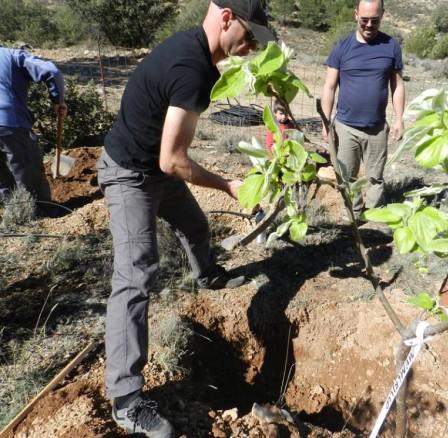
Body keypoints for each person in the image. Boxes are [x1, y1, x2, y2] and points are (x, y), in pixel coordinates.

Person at [96, 1, 275, 436]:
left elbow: (169, 159)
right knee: (136, 275)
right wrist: (231, 186)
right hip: (130, 174)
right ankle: (125, 399)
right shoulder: (192, 66)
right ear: (227, 16)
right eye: (250, 36)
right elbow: (174, 160)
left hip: (154, 167)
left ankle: (207, 275)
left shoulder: (199, 55)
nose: (252, 47)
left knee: (195, 226)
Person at [321, 0, 405, 219]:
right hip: (346, 127)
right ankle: (352, 217)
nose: (369, 25)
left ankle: (376, 220)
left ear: (383, 16)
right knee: (348, 177)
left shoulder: (391, 46)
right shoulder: (341, 47)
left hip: (377, 128)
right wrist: (325, 121)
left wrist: (398, 119)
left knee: (375, 178)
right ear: (355, 14)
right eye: (364, 19)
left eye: (374, 20)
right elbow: (329, 87)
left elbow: (397, 86)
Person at [0, 47, 67, 206]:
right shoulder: (12, 55)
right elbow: (52, 71)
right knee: (29, 174)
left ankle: (14, 214)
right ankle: (43, 214)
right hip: (10, 122)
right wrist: (58, 101)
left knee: (3, 180)